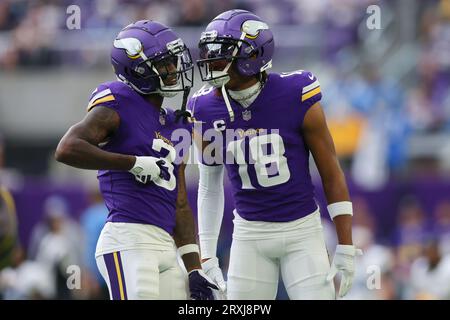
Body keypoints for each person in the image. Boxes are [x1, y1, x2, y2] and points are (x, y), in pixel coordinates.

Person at [188, 9, 361, 300]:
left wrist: (345, 244)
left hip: (301, 230)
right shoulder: (204, 108)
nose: (212, 63)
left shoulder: (295, 93)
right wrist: (207, 255)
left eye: (221, 55)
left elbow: (331, 171)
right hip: (248, 234)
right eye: (211, 54)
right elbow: (209, 185)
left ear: (250, 57)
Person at [55, 20, 216, 300]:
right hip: (128, 239)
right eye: (164, 64)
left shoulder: (177, 124)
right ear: (138, 70)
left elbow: (179, 202)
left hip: (166, 243)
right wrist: (132, 162)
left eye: (173, 61)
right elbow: (67, 148)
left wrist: (194, 269)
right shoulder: (119, 101)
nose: (174, 69)